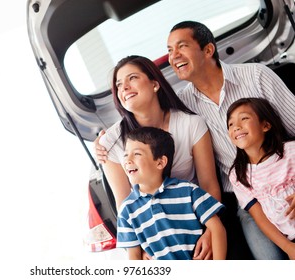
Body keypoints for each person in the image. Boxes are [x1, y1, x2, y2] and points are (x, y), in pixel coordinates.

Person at [166, 20, 295, 259]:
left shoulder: (256, 76)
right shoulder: (182, 107)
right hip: (248, 201)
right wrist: (105, 141)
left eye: (181, 46)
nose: (173, 56)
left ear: (207, 50)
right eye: (169, 50)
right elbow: (146, 121)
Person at [96, 55, 221, 259]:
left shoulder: (191, 123)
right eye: (119, 85)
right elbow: (124, 203)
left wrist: (210, 232)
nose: (124, 88)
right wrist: (140, 249)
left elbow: (209, 183)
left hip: (197, 220)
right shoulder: (110, 142)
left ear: (155, 84)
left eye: (132, 78)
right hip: (154, 237)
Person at [117, 126, 226, 260]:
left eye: (137, 154)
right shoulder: (126, 210)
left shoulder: (188, 191)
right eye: (126, 154)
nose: (128, 160)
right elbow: (134, 257)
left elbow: (217, 229)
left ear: (160, 162)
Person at [227, 98, 295, 259]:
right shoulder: (238, 175)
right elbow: (260, 218)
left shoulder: (290, 151)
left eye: (244, 118)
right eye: (230, 124)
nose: (236, 126)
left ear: (265, 125)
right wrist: (288, 248)